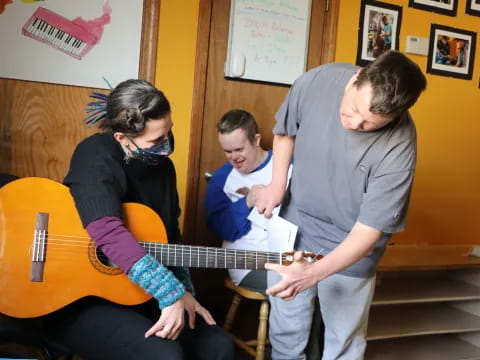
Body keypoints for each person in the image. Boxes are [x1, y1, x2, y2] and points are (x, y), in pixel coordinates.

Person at [42, 79, 235, 360]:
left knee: (219, 345)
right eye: (156, 140)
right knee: (164, 355)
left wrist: (183, 291)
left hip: (141, 292)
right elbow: (107, 232)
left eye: (169, 132)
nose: (167, 146)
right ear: (122, 138)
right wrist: (169, 292)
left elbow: (170, 239)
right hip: (81, 298)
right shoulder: (95, 154)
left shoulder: (163, 168)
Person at [254, 50, 427, 359]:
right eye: (354, 109)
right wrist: (278, 184)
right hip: (295, 229)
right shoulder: (316, 81)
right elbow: (284, 132)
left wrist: (315, 272)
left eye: (371, 123)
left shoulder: (401, 143)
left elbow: (369, 231)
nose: (355, 123)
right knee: (286, 334)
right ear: (356, 78)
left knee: (343, 342)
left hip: (350, 246)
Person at [204, 109, 292, 294]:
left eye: (239, 149)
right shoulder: (222, 178)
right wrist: (247, 202)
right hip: (246, 262)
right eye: (227, 151)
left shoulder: (285, 166)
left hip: (289, 256)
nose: (234, 157)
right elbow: (220, 228)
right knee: (294, 289)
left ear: (256, 140)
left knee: (316, 285)